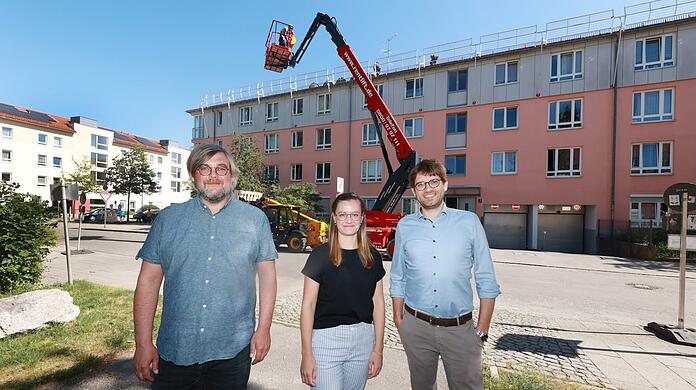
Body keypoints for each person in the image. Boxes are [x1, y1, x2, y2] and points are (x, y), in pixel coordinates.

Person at [132, 144, 278, 390]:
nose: (213, 176)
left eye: (221, 169)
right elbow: (147, 282)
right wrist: (142, 343)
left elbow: (267, 279)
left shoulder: (255, 221)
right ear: (193, 175)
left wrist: (264, 330)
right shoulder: (168, 219)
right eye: (204, 168)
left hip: (232, 353)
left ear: (231, 176)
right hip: (175, 350)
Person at [390, 159, 501, 390]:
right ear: (413, 191)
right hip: (416, 327)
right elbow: (398, 275)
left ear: (445, 184)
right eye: (421, 184)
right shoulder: (405, 226)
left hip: (460, 330)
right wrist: (400, 320)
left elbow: (486, 279)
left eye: (433, 181)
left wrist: (482, 331)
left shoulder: (469, 222)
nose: (428, 188)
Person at [300, 192, 386, 389]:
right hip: (326, 341)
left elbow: (379, 304)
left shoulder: (372, 256)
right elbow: (308, 306)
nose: (349, 220)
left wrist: (378, 350)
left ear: (362, 218)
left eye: (355, 214)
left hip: (363, 340)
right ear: (334, 218)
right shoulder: (320, 255)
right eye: (343, 214)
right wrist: (306, 354)